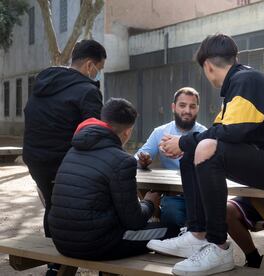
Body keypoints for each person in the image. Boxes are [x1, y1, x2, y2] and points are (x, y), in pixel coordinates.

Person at [147, 33, 264, 276]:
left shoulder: (246, 81)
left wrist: (183, 140)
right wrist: (186, 143)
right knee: (195, 148)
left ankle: (218, 246)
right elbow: (219, 131)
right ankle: (197, 233)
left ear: (207, 66)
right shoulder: (242, 81)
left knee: (203, 147)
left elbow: (229, 133)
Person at [48, 98, 171, 261]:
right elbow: (134, 221)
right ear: (128, 131)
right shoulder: (123, 161)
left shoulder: (73, 150)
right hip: (96, 245)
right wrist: (149, 203)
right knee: (173, 232)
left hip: (62, 241)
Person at [23, 39, 106, 240]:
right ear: (89, 65)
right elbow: (93, 134)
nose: (97, 73)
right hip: (62, 161)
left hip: (34, 159)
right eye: (99, 68)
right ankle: (61, 258)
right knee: (72, 207)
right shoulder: (87, 91)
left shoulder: (44, 83)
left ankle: (55, 263)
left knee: (53, 204)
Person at [135, 87, 207, 231]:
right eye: (182, 105)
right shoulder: (160, 132)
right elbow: (138, 156)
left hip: (200, 196)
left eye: (192, 106)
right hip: (173, 196)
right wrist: (142, 160)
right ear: (173, 107)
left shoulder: (204, 133)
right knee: (172, 217)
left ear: (198, 109)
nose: (187, 110)